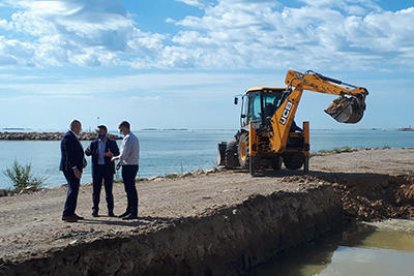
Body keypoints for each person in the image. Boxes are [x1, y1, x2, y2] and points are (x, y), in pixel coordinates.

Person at [85, 125, 120, 217]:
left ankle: (110, 211)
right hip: (97, 170)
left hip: (108, 170)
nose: (99, 134)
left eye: (101, 132)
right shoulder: (94, 143)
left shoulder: (112, 143)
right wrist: (88, 149)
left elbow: (117, 154)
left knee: (109, 191)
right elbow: (87, 153)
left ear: (105, 132)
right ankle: (95, 210)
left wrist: (111, 154)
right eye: (98, 132)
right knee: (96, 191)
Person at [111, 121, 140, 220]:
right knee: (129, 189)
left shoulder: (129, 138)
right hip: (130, 165)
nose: (120, 131)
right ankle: (129, 210)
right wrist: (120, 162)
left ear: (125, 127)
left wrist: (115, 158)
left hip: (130, 166)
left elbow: (124, 154)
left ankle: (133, 212)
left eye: (121, 129)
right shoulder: (132, 137)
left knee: (130, 189)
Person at [60, 120, 86, 223]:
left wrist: (82, 161)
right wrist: (75, 168)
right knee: (73, 189)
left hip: (73, 168)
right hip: (70, 169)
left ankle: (71, 212)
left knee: (74, 190)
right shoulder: (68, 137)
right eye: (79, 127)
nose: (80, 129)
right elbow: (69, 155)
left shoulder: (72, 136)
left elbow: (76, 153)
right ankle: (67, 214)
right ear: (74, 126)